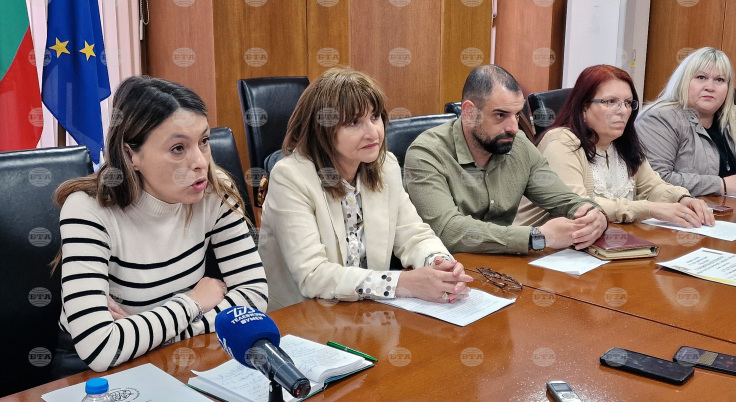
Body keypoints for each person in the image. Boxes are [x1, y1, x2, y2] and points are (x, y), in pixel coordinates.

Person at [52, 76, 269, 375]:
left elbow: (254, 296)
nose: (201, 162)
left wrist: (161, 335)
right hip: (90, 373)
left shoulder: (215, 190)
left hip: (177, 353)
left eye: (204, 141)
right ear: (131, 154)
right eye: (178, 148)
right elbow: (101, 348)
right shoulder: (88, 209)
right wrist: (194, 302)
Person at [259, 67, 472, 311]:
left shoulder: (385, 166)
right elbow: (313, 275)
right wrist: (404, 283)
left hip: (366, 311)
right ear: (322, 129)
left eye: (375, 117)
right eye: (354, 122)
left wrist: (441, 265)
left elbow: (414, 235)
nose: (373, 133)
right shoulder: (290, 177)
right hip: (302, 315)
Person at [404, 64, 608, 255]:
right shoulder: (427, 153)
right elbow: (448, 231)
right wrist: (536, 237)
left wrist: (594, 215)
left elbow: (566, 200)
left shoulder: (518, 145)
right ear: (469, 113)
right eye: (500, 115)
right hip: (446, 269)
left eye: (517, 115)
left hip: (504, 266)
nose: (513, 128)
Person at [537, 65, 714, 227]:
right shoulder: (560, 142)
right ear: (584, 107)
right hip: (550, 248)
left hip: (610, 240)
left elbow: (652, 187)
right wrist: (649, 209)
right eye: (610, 102)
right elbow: (579, 207)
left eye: (628, 103)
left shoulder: (621, 143)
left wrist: (682, 198)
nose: (622, 111)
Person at [636, 47, 736, 197]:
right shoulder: (660, 118)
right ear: (683, 81)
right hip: (682, 209)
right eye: (701, 77)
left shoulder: (735, 116)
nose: (710, 87)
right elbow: (656, 180)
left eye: (719, 80)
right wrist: (721, 185)